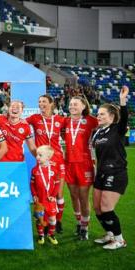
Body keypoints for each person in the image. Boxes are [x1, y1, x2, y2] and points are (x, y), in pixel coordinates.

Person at [92, 85, 130, 250]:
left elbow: (125, 117)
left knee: (107, 208)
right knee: (97, 208)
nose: (98, 116)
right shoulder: (99, 132)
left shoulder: (118, 129)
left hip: (116, 173)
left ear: (112, 116)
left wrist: (122, 101)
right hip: (101, 173)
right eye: (98, 114)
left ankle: (120, 240)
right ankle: (109, 234)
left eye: (102, 114)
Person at [26, 95, 66, 233]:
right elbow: (20, 124)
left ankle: (57, 221)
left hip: (57, 160)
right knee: (43, 194)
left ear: (51, 103)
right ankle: (44, 223)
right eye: (39, 102)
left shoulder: (60, 120)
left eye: (43, 101)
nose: (41, 104)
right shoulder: (34, 118)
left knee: (58, 194)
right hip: (42, 161)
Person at [63, 96, 98, 240]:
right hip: (69, 163)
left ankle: (85, 227)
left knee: (83, 197)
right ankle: (79, 223)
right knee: (73, 195)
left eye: (75, 104)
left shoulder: (91, 120)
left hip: (85, 164)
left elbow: (110, 124)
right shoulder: (65, 121)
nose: (72, 106)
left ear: (83, 106)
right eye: (70, 104)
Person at [30, 145, 62, 245]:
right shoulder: (35, 170)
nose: (37, 157)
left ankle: (51, 234)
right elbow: (32, 184)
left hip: (50, 201)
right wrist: (34, 194)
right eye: (37, 155)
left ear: (48, 157)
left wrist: (53, 195)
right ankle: (41, 236)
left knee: (52, 219)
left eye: (40, 155)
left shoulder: (54, 170)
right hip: (39, 200)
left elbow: (57, 184)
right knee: (40, 219)